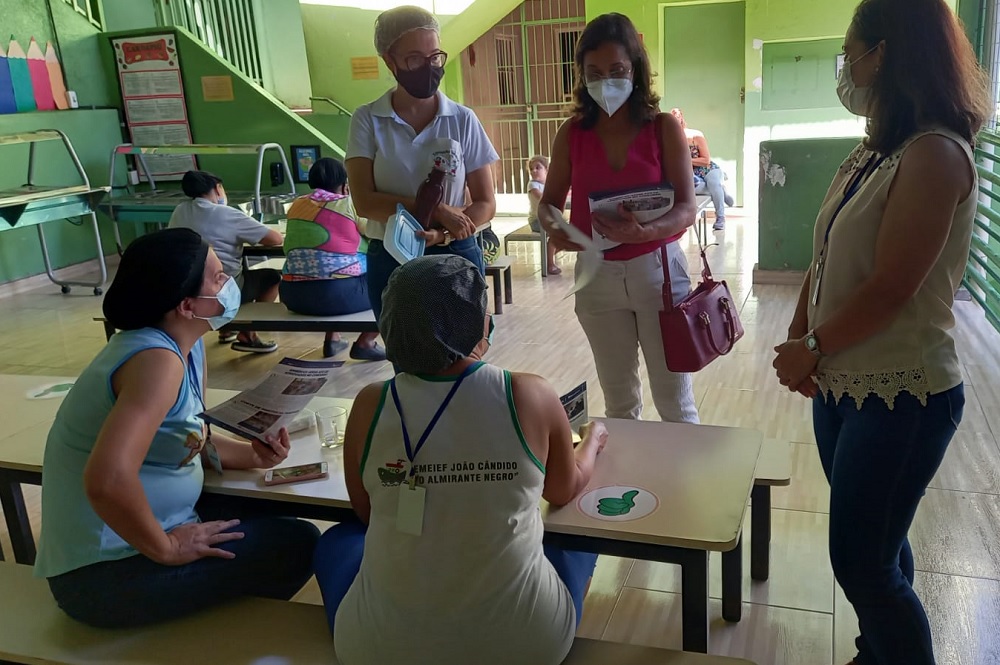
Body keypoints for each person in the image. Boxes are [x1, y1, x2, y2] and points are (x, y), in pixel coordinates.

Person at [771, 1, 989, 663]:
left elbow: (893, 287)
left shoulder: (935, 155)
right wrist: (802, 331)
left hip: (906, 396)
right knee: (882, 545)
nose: (847, 68)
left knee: (861, 561)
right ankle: (881, 650)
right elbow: (829, 249)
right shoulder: (877, 148)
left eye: (851, 52)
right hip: (847, 383)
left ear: (884, 54)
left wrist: (812, 347)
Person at [312, 255, 608, 665]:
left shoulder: (371, 403)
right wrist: (591, 442)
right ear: (480, 324)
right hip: (528, 647)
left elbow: (367, 512)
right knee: (577, 537)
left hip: (377, 650)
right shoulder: (528, 394)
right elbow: (563, 489)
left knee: (338, 542)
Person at [34, 228, 320, 628]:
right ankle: (207, 636)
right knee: (298, 543)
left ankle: (200, 608)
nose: (229, 285)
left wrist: (253, 454)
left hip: (149, 531)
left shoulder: (184, 346)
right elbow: (106, 479)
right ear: (187, 305)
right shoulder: (155, 362)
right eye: (219, 278)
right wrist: (167, 548)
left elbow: (187, 437)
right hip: (104, 573)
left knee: (272, 507)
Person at [539, 13, 699, 424]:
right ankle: (627, 487)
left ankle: (683, 488)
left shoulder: (663, 128)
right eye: (594, 72)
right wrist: (560, 231)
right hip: (597, 279)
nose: (605, 82)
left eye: (617, 71)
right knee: (619, 405)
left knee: (675, 403)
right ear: (581, 75)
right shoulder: (571, 133)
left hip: (658, 274)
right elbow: (549, 205)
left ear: (637, 70)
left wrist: (645, 230)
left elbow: (686, 207)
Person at [346, 5, 499, 323]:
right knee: (406, 356)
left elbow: (485, 202)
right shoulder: (368, 119)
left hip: (455, 251)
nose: (429, 67)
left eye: (435, 57)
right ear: (390, 60)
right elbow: (364, 202)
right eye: (414, 58)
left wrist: (442, 233)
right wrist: (436, 210)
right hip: (393, 256)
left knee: (465, 351)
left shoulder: (461, 119)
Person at [280, 157, 386, 361]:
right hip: (337, 296)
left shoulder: (296, 205)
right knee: (389, 281)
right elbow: (373, 232)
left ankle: (333, 339)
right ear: (345, 184)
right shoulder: (349, 203)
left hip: (292, 295)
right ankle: (366, 342)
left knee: (326, 267)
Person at [168, 170, 282, 354]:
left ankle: (227, 328)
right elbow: (275, 239)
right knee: (272, 277)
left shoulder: (180, 210)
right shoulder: (227, 214)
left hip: (185, 289)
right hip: (220, 292)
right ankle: (248, 334)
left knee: (235, 266)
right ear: (217, 189)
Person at [669, 108, 734, 231]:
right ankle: (721, 190)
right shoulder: (670, 138)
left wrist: (685, 160)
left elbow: (706, 160)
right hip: (692, 174)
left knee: (713, 183)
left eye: (677, 120)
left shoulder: (695, 135)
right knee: (695, 188)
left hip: (708, 169)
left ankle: (720, 217)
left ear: (682, 119)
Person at [526, 155, 561, 274]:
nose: (534, 171)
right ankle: (549, 264)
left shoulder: (548, 184)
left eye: (538, 167)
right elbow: (543, 198)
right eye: (531, 169)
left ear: (546, 169)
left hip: (548, 219)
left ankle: (548, 256)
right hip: (537, 221)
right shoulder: (533, 185)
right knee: (555, 233)